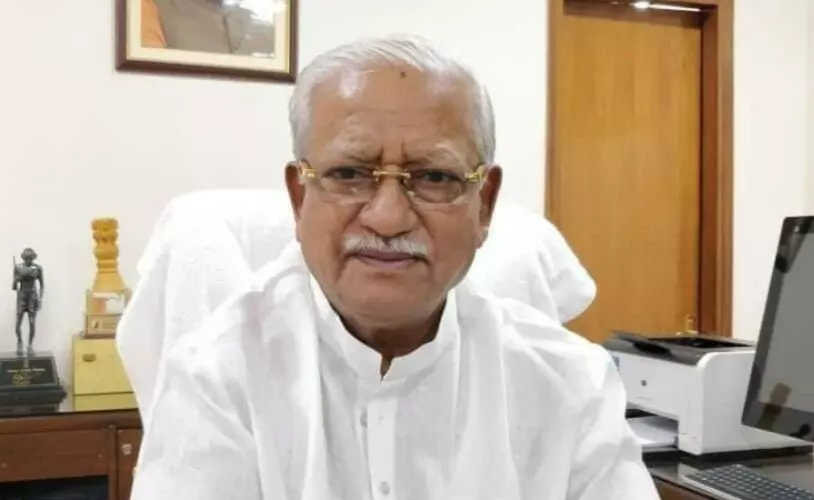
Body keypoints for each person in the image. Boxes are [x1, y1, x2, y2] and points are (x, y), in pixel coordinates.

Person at [130, 35, 658, 499]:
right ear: (299, 197)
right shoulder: (218, 377)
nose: (387, 217)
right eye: (349, 174)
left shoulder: (569, 385)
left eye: (434, 177)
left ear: (484, 205)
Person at [12, 247, 44, 355]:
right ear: (23, 258)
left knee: (32, 321)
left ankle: (30, 344)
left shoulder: (37, 268)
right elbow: (14, 287)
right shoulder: (18, 267)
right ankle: (20, 341)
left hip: (32, 296)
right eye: (26, 258)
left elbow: (42, 286)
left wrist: (40, 299)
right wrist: (16, 280)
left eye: (30, 258)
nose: (28, 260)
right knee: (18, 322)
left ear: (33, 257)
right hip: (22, 295)